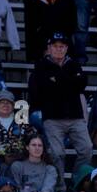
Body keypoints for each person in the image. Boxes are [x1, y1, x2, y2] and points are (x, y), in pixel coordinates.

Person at [29, 32, 91, 166]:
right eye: (55, 46)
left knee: (87, 149)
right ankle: (60, 187)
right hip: (52, 118)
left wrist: (56, 82)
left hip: (76, 117)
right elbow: (37, 92)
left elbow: (81, 86)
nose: (59, 49)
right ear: (49, 48)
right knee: (57, 154)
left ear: (67, 48)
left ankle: (77, 182)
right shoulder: (40, 66)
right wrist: (68, 83)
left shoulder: (74, 65)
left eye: (62, 46)